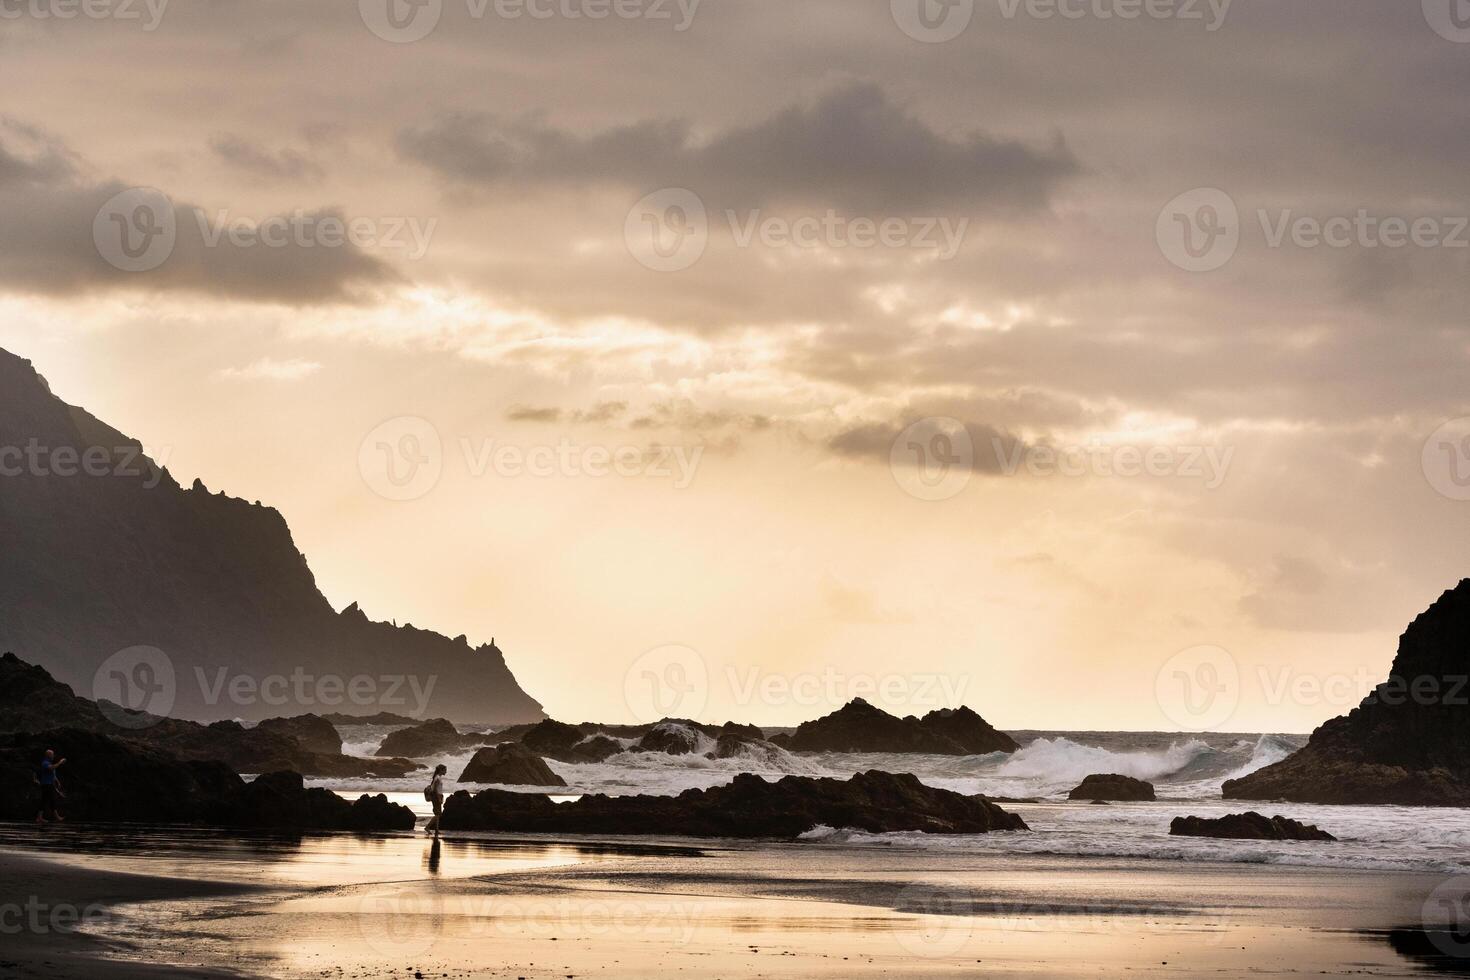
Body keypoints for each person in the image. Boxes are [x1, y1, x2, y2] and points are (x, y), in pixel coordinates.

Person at [35, 749, 66, 824]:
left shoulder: (49, 763)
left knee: (46, 800)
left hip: (50, 784)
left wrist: (57, 781)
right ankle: (55, 817)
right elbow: (51, 768)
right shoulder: (45, 763)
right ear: (48, 755)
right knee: (50, 800)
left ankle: (40, 818)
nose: (53, 756)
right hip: (46, 784)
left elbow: (53, 774)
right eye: (52, 754)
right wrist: (60, 762)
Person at [426, 764, 448, 837]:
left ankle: (437, 830)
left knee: (437, 814)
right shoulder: (437, 777)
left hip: (438, 796)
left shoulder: (438, 777)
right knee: (438, 814)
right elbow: (434, 789)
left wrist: (441, 797)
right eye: (445, 770)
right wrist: (438, 798)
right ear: (441, 770)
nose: (446, 771)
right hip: (436, 796)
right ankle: (427, 827)